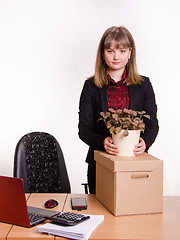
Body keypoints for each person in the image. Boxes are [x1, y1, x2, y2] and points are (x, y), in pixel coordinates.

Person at [78, 26, 159, 194]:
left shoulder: (144, 85)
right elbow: (84, 130)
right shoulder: (91, 86)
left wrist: (145, 143)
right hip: (100, 163)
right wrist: (103, 142)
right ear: (102, 53)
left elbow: (152, 125)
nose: (116, 57)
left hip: (135, 164)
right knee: (102, 213)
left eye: (122, 51)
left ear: (130, 53)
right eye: (110, 51)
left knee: (133, 211)